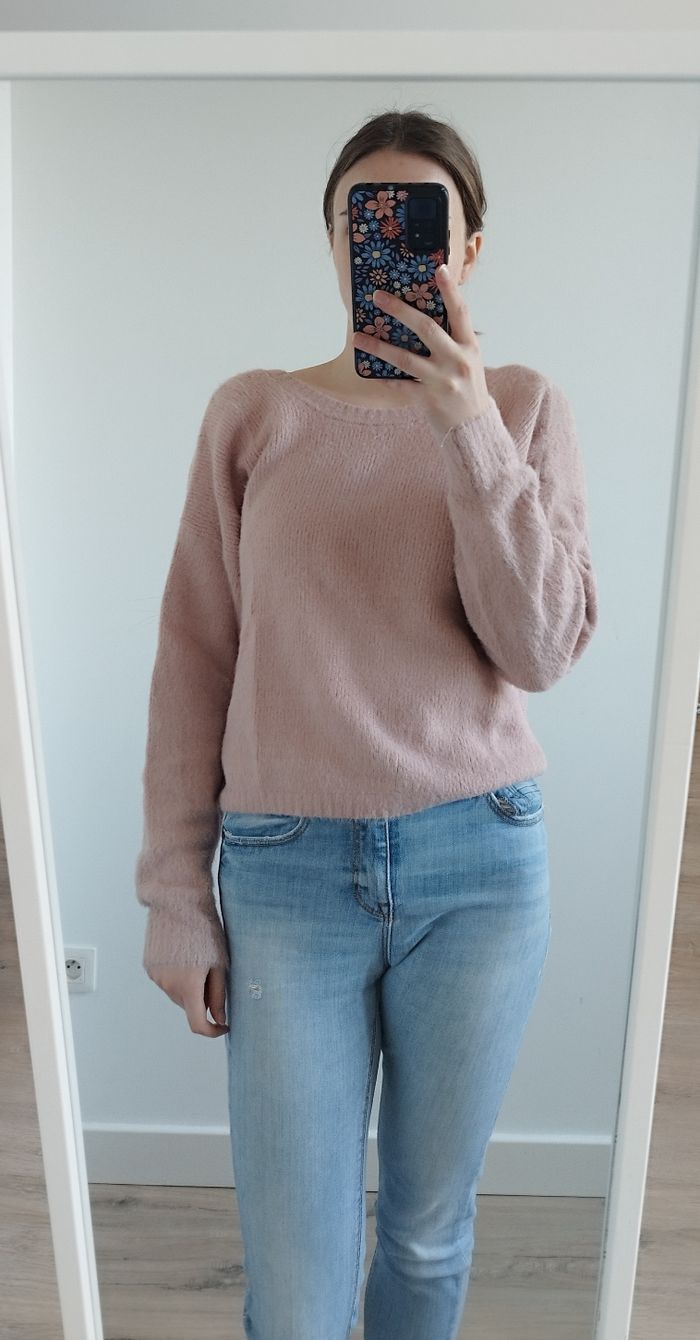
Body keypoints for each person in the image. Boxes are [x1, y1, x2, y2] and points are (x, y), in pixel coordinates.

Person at [135, 106, 598, 1340]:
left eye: (421, 223)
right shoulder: (253, 414)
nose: (388, 244)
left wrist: (469, 432)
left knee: (427, 1232)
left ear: (468, 249)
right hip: (285, 873)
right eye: (365, 219)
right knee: (294, 1285)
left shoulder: (523, 407)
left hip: (479, 862)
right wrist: (175, 893)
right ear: (334, 241)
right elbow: (193, 658)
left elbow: (541, 648)